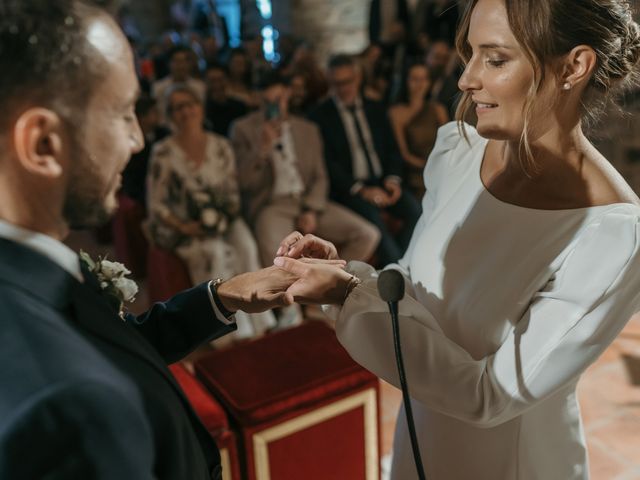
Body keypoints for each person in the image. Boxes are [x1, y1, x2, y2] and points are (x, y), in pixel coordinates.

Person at [273, 0, 640, 478]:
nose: (466, 79)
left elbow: (489, 395)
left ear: (573, 65)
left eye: (495, 58)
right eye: (469, 54)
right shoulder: (461, 154)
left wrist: (346, 298)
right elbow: (410, 282)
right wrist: (351, 277)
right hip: (422, 429)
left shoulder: (610, 236)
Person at [0, 2, 302, 479]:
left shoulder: (28, 269)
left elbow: (118, 345)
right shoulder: (66, 408)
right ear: (43, 144)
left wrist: (221, 296)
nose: (137, 140)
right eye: (123, 114)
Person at [147, 83, 277, 339]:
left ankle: (260, 324)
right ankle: (226, 332)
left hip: (224, 218)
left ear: (200, 107)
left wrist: (221, 218)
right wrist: (186, 227)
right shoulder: (162, 153)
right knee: (215, 253)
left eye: (189, 104)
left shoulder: (220, 145)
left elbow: (231, 192)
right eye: (177, 108)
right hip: (184, 227)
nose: (185, 112)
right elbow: (157, 204)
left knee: (246, 246)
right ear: (170, 115)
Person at [309, 54, 422, 266]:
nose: (343, 89)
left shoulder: (376, 108)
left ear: (358, 78)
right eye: (336, 84)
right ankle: (397, 275)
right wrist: (362, 190)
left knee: (415, 210)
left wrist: (392, 180)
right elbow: (328, 165)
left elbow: (392, 150)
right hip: (350, 188)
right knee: (375, 223)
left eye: (347, 82)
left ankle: (402, 266)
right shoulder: (319, 117)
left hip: (381, 180)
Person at [389, 62, 449, 199]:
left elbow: (447, 144)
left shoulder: (438, 110)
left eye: (424, 79)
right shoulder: (396, 113)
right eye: (414, 79)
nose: (419, 84)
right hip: (414, 174)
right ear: (406, 81)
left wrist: (441, 168)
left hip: (441, 169)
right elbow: (404, 154)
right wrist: (428, 168)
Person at [152, 45, 206, 125]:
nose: (181, 65)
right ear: (169, 64)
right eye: (176, 61)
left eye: (184, 61)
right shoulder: (158, 87)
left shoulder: (200, 87)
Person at [204, 63, 249, 137]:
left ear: (227, 80)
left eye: (220, 80)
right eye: (212, 81)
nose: (217, 85)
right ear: (206, 83)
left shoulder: (240, 106)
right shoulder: (202, 110)